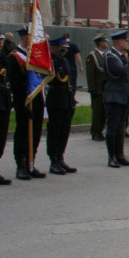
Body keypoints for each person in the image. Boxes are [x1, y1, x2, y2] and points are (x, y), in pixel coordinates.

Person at [8, 27, 45, 179]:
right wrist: (22, 105)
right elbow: (16, 85)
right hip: (24, 101)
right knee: (23, 132)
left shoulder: (35, 55)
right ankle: (21, 164)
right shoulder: (15, 57)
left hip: (37, 100)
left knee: (35, 132)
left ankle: (31, 162)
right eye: (32, 37)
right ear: (25, 37)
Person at [45, 37, 77, 175]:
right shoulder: (50, 61)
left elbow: (70, 80)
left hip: (67, 100)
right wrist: (57, 59)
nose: (65, 52)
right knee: (55, 132)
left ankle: (61, 157)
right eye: (62, 49)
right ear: (55, 48)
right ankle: (53, 161)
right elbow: (51, 79)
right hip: (56, 101)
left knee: (64, 131)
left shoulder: (65, 61)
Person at [103, 30, 129, 167]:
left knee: (121, 126)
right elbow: (122, 71)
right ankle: (112, 156)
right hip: (114, 95)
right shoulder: (111, 56)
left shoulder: (121, 56)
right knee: (113, 127)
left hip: (123, 94)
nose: (127, 43)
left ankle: (120, 154)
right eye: (125, 41)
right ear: (118, 42)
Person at [0, 29, 13, 185]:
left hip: (4, 100)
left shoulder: (2, 57)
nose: (0, 42)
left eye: (1, 40)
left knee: (0, 138)